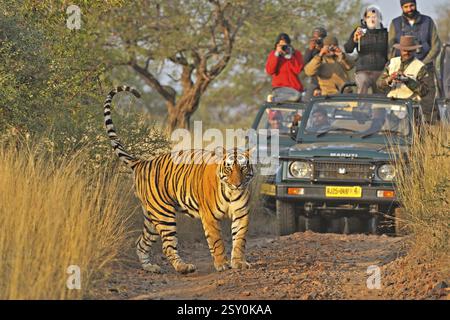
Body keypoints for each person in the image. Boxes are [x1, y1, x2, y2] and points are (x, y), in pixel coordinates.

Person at [389, 0, 442, 123]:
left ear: (416, 5)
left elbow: (436, 46)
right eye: (406, 6)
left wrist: (422, 64)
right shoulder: (395, 23)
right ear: (402, 7)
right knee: (401, 105)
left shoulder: (428, 21)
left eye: (411, 5)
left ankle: (429, 138)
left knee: (428, 104)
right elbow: (390, 48)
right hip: (403, 71)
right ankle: (401, 137)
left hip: (425, 69)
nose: (409, 9)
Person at [344, 5, 388, 94]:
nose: (371, 20)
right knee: (363, 83)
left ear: (379, 18)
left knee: (380, 95)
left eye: (374, 17)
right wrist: (355, 39)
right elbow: (348, 49)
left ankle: (379, 107)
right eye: (368, 17)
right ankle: (360, 107)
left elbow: (389, 53)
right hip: (363, 70)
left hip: (380, 71)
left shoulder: (385, 34)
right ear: (364, 19)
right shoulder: (359, 31)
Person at [377, 35, 432, 106]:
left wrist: (407, 81)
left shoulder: (420, 67)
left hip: (410, 106)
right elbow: (379, 84)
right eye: (404, 50)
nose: (407, 53)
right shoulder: (392, 62)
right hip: (391, 105)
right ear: (400, 50)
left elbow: (425, 91)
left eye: (410, 50)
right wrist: (389, 79)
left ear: (415, 50)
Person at [265, 33, 304, 102]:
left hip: (295, 88)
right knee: (296, 96)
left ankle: (276, 102)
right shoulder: (273, 54)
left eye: (285, 45)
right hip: (280, 88)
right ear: (277, 45)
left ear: (289, 45)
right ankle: (273, 100)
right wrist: (276, 55)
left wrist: (290, 57)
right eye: (281, 45)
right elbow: (270, 71)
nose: (283, 47)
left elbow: (297, 70)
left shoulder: (295, 53)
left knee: (303, 99)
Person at [303, 27, 327, 101]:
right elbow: (305, 64)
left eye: (320, 38)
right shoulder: (312, 50)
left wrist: (323, 50)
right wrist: (311, 49)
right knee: (306, 101)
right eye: (315, 38)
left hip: (327, 82)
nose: (318, 41)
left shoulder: (327, 48)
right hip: (315, 82)